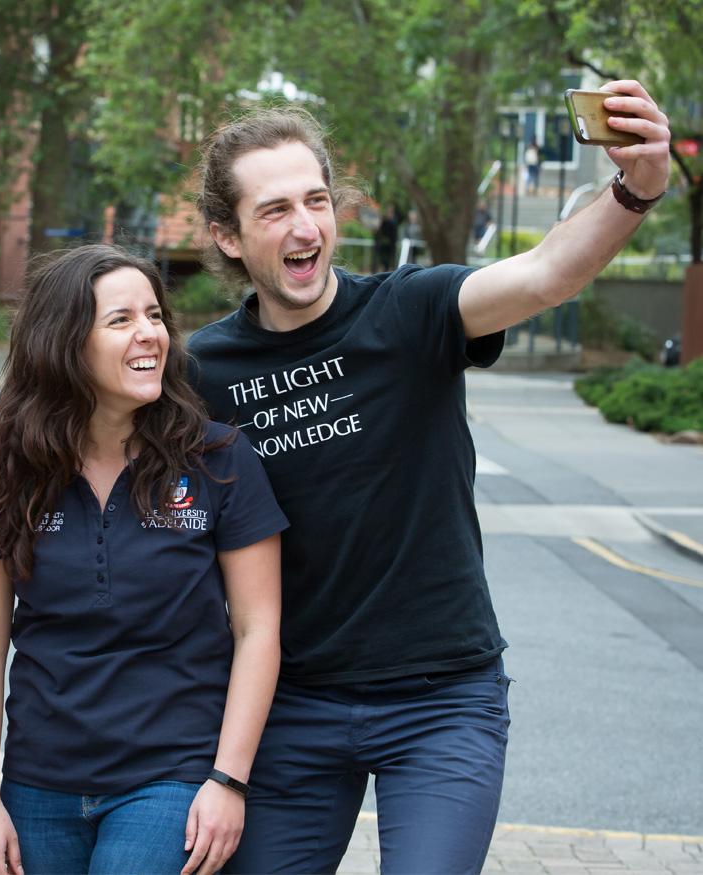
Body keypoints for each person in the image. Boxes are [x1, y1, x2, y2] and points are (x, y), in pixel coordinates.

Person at [189, 80, 669, 874]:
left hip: (441, 700)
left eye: (317, 199)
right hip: (291, 706)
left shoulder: (412, 312)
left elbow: (548, 273)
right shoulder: (207, 369)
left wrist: (635, 189)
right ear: (229, 236)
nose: (305, 225)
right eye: (275, 210)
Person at [0, 244, 285, 875]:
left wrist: (228, 781)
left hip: (171, 777)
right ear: (64, 343)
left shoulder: (217, 460)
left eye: (155, 316)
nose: (150, 335)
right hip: (36, 783)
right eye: (121, 319)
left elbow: (257, 627)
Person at [372, 204, 398, 272]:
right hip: (381, 245)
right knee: (378, 260)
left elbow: (392, 231)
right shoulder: (383, 221)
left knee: (387, 262)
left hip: (389, 247)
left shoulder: (393, 220)